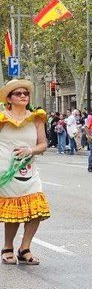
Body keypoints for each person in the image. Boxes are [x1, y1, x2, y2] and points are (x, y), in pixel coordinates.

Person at [0, 80, 50, 266]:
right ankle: (7, 247)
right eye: (18, 93)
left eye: (25, 93)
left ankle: (25, 248)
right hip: (6, 173)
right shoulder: (2, 119)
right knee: (14, 212)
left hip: (30, 171)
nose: (23, 96)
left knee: (37, 209)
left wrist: (31, 151)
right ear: (9, 98)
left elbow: (43, 143)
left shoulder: (36, 118)